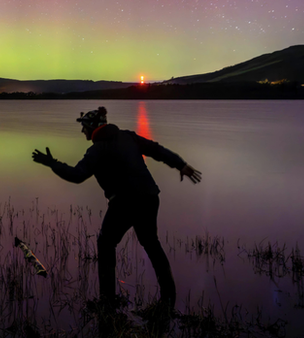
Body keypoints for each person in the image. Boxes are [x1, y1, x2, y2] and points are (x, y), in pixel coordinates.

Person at [31, 106, 201, 312]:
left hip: (125, 202)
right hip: (149, 197)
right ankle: (168, 297)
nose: (82, 131)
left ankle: (107, 300)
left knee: (105, 242)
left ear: (93, 128)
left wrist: (52, 163)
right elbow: (156, 150)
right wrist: (179, 164)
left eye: (84, 127)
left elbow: (77, 175)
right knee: (151, 243)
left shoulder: (97, 150)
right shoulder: (128, 137)